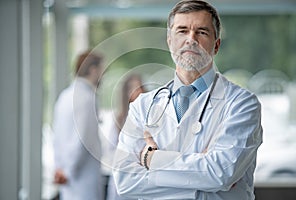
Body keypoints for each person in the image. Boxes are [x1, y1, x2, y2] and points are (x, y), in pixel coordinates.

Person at [112, 0, 263, 199]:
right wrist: (201, 181)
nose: (191, 39)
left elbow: (220, 173)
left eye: (201, 32)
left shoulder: (242, 104)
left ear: (216, 45)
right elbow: (124, 181)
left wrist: (152, 159)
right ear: (169, 41)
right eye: (182, 31)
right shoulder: (143, 106)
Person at [52, 50, 104, 200]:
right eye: (102, 70)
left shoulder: (65, 95)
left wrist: (61, 169)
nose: (103, 75)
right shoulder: (87, 98)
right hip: (81, 180)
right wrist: (68, 171)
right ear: (93, 70)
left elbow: (57, 138)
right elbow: (82, 140)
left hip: (68, 178)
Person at [103, 74, 146, 200]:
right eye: (133, 88)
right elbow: (111, 150)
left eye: (140, 87)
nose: (138, 91)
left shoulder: (150, 117)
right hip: (122, 176)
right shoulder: (119, 119)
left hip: (141, 176)